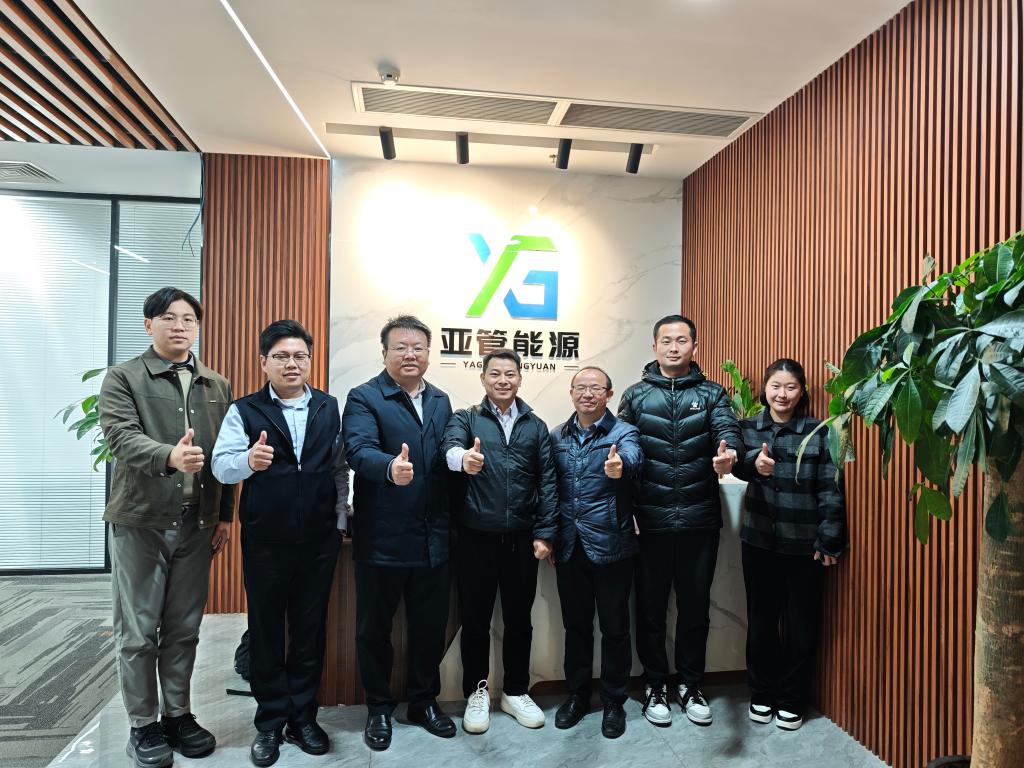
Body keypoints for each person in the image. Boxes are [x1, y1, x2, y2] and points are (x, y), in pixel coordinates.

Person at [98, 287, 233, 768]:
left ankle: (178, 715)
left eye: (188, 319)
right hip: (142, 522)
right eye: (169, 318)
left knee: (184, 627)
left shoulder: (216, 384)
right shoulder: (123, 377)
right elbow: (120, 437)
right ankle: (143, 724)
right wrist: (169, 456)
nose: (180, 326)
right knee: (138, 630)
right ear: (148, 324)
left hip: (197, 524)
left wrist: (224, 515)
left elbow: (226, 455)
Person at [211, 320, 348, 766]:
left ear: (310, 360)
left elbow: (338, 468)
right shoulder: (245, 410)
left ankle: (303, 718)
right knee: (267, 630)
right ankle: (270, 721)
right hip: (266, 540)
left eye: (300, 356)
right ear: (264, 362)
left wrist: (339, 521)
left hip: (319, 540)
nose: (292, 364)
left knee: (309, 631)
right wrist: (248, 461)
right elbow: (220, 466)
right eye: (282, 356)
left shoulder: (328, 406)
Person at [617, 314, 742, 728]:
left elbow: (728, 432)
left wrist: (729, 456)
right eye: (666, 340)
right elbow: (622, 450)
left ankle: (691, 684)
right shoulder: (635, 396)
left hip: (698, 521)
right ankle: (654, 685)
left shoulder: (712, 393)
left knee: (695, 610)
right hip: (649, 522)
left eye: (682, 340)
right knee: (649, 610)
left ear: (694, 346)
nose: (674, 347)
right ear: (654, 347)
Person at [342, 315, 455, 751]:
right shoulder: (365, 396)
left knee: (429, 628)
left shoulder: (441, 399)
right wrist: (390, 467)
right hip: (383, 537)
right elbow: (358, 450)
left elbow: (447, 453)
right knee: (375, 630)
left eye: (418, 347)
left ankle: (423, 702)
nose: (410, 354)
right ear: (384, 352)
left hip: (433, 536)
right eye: (401, 347)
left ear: (428, 353)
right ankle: (379, 707)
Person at [441, 348, 558, 734]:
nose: (503, 380)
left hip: (522, 538)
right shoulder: (467, 418)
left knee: (519, 620)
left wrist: (545, 532)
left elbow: (548, 480)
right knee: (475, 621)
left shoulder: (535, 425)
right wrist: (464, 460)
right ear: (483, 378)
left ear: (520, 378)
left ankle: (515, 691)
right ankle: (476, 693)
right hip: (475, 536)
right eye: (495, 374)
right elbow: (449, 448)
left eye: (510, 374)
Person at [731, 358, 847, 731]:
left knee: (800, 625)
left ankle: (792, 700)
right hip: (759, 540)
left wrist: (829, 539)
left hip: (804, 543)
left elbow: (830, 486)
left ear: (802, 391)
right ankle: (761, 694)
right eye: (776, 386)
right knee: (761, 622)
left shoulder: (819, 432)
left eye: (791, 387)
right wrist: (753, 464)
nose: (782, 394)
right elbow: (734, 464)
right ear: (765, 390)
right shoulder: (747, 428)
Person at [548, 366, 642, 739]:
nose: (588, 393)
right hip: (569, 546)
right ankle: (577, 695)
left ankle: (614, 701)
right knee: (576, 627)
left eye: (596, 388)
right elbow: (549, 489)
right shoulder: (556, 436)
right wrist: (549, 535)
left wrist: (621, 466)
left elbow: (634, 458)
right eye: (581, 387)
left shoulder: (624, 433)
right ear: (572, 392)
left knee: (615, 629)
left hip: (612, 545)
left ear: (609, 394)